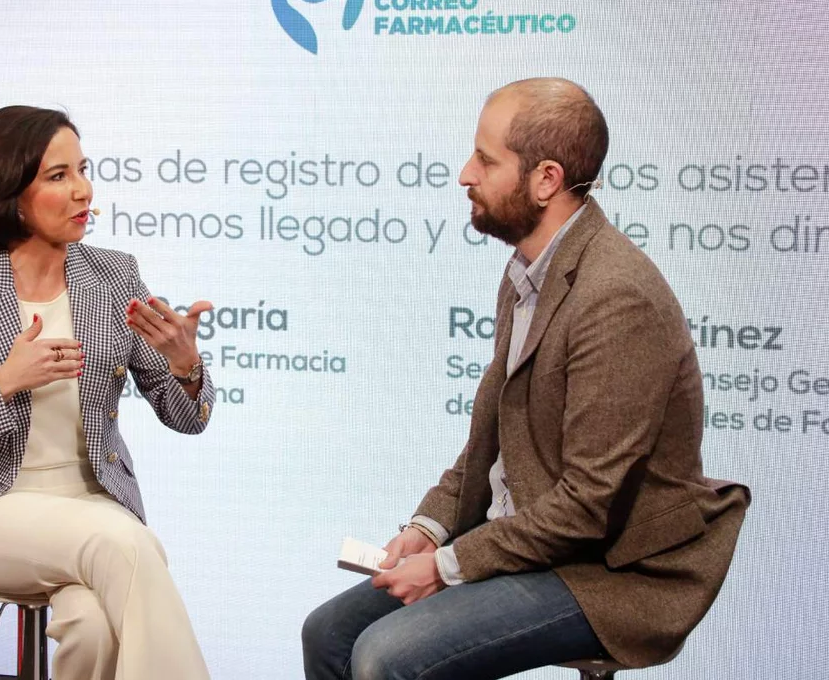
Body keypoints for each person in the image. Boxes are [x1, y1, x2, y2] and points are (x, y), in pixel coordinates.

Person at [301, 78, 750, 680]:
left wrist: (447, 565)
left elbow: (589, 507)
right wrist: (426, 529)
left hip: (605, 569)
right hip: (529, 537)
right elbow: (489, 441)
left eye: (486, 160)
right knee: (328, 634)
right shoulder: (528, 272)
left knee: (387, 658)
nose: (465, 174)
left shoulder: (617, 298)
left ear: (546, 179)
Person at [0, 105, 214, 680]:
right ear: (9, 192)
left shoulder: (113, 276)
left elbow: (187, 418)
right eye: (58, 176)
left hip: (89, 502)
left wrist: (185, 365)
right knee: (127, 544)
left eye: (83, 170)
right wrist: (3, 383)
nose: (83, 190)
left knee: (92, 621)